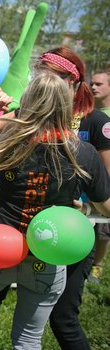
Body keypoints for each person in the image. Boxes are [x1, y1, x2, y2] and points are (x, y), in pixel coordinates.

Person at [0, 72, 110, 350]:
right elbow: (107, 207)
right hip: (47, 255)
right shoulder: (83, 152)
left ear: (28, 102)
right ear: (66, 106)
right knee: (28, 339)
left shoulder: (12, 141)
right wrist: (82, 207)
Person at [89, 68, 110, 283]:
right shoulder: (85, 114)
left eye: (99, 84)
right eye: (92, 83)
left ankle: (97, 265)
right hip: (85, 181)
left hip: (106, 183)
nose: (94, 87)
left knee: (103, 231)